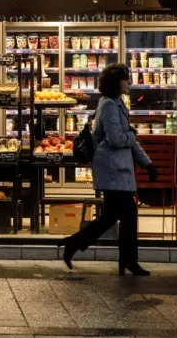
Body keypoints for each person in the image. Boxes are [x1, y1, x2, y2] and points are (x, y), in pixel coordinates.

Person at [58, 64, 158, 276]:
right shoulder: (110, 106)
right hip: (113, 170)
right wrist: (132, 135)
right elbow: (117, 139)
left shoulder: (116, 103)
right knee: (127, 215)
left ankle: (75, 244)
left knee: (111, 217)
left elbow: (129, 140)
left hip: (118, 170)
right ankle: (128, 261)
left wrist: (147, 163)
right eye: (125, 79)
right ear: (116, 82)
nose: (128, 82)